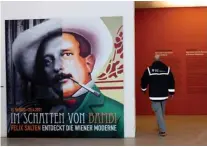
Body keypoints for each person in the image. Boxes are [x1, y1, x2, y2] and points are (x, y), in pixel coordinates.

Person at [9, 18, 124, 138]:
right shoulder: (28, 116)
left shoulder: (118, 114)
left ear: (88, 63)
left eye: (66, 54)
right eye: (47, 61)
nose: (57, 67)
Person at [140, 54, 175, 137]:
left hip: (154, 95)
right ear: (161, 60)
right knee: (161, 112)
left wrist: (143, 89)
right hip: (164, 94)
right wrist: (171, 92)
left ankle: (162, 131)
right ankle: (160, 127)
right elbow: (171, 81)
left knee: (158, 113)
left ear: (154, 60)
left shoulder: (149, 70)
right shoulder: (167, 69)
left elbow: (144, 80)